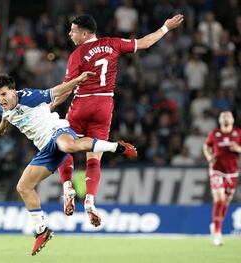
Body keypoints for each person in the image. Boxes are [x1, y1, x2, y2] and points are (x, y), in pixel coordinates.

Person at [51, 14, 184, 227]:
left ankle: (67, 187)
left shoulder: (77, 54)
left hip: (82, 104)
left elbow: (66, 89)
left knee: (63, 145)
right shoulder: (113, 43)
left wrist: (50, 105)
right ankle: (90, 200)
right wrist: (166, 28)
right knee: (94, 157)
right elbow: (145, 43)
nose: (70, 33)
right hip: (104, 106)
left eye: (73, 30)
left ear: (85, 34)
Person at [0, 72, 137, 256]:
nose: (1, 99)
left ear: (13, 91)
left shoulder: (28, 96)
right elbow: (6, 113)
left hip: (57, 131)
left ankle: (116, 147)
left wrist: (77, 80)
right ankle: (42, 230)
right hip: (45, 148)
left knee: (68, 146)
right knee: (23, 187)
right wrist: (2, 126)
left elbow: (55, 91)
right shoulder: (0, 107)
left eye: (4, 94)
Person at [203, 111, 241, 246]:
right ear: (219, 119)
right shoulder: (214, 133)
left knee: (226, 202)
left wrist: (238, 149)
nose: (226, 117)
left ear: (232, 119)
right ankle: (218, 233)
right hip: (217, 170)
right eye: (223, 115)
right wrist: (209, 157)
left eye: (228, 115)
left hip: (232, 172)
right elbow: (206, 146)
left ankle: (215, 225)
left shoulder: (238, 133)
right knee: (219, 199)